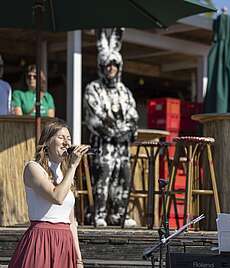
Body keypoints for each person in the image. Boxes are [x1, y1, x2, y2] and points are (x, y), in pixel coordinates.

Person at [9, 119, 89, 267]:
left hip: (65, 241)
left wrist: (78, 259)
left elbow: (71, 221)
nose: (66, 142)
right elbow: (56, 197)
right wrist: (73, 166)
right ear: (47, 142)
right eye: (61, 137)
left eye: (69, 138)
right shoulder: (33, 168)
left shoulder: (66, 175)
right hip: (42, 239)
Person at [84, 28, 139, 227]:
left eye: (114, 64)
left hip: (122, 146)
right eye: (106, 64)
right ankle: (99, 213)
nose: (110, 68)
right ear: (101, 66)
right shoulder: (93, 89)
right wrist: (113, 132)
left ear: (119, 66)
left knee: (124, 174)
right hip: (102, 144)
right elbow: (93, 118)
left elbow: (133, 116)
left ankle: (120, 214)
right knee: (104, 171)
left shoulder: (125, 91)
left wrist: (127, 131)